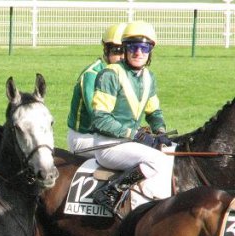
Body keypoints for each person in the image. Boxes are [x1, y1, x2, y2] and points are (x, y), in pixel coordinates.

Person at [89, 21, 174, 212]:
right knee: (158, 161)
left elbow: (154, 112)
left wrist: (160, 131)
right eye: (133, 47)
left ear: (150, 51)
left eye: (144, 48)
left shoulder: (149, 77)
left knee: (175, 154)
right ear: (125, 49)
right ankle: (116, 193)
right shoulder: (109, 75)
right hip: (107, 145)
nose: (138, 53)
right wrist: (133, 134)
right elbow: (100, 119)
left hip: (130, 144)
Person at [66, 23, 127, 155]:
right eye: (117, 51)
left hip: (106, 135)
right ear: (106, 49)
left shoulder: (123, 74)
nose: (122, 56)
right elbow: (98, 117)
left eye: (126, 51)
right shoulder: (92, 75)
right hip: (83, 137)